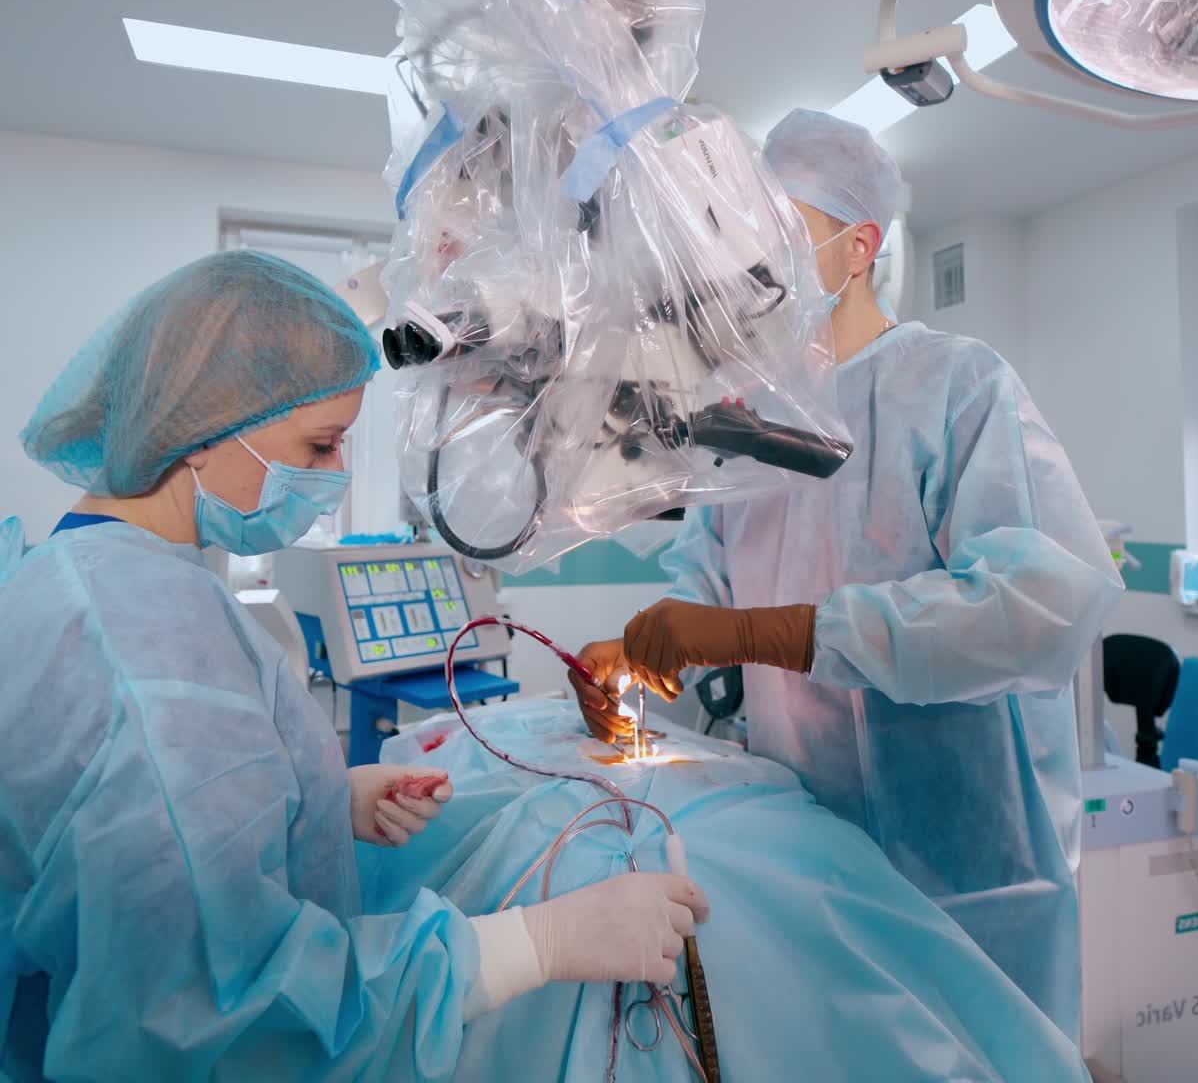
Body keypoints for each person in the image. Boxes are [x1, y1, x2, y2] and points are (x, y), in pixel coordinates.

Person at [0, 251, 707, 1083]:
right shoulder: (146, 665)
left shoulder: (77, 574)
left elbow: (130, 839)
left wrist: (313, 799)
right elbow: (220, 1019)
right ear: (202, 428)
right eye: (322, 443)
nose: (335, 477)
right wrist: (539, 943)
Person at [570, 108, 1123, 1041]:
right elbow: (708, 590)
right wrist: (643, 660)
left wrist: (769, 634)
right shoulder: (745, 426)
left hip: (966, 868)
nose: (757, 265)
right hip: (800, 840)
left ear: (858, 245)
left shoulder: (957, 384)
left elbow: (1038, 607)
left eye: (783, 236)